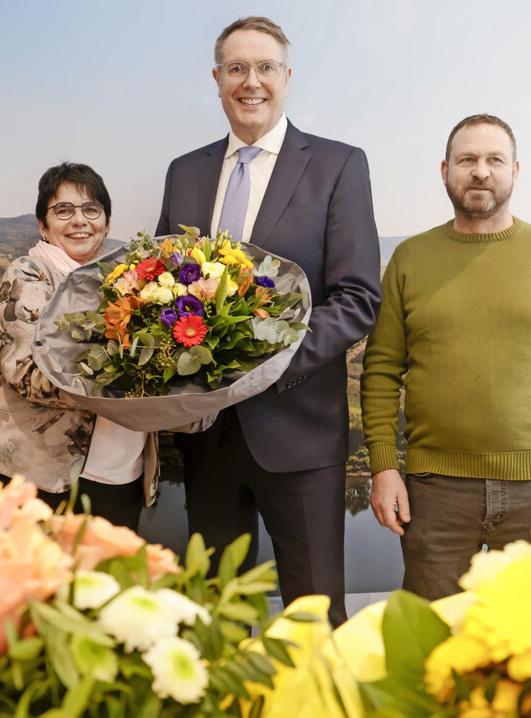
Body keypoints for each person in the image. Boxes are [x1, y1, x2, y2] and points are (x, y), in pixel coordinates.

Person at [156, 16, 381, 627]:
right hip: (207, 439)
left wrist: (270, 364)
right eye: (236, 68)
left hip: (301, 434)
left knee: (313, 620)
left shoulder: (338, 165)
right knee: (216, 620)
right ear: (217, 79)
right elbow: (162, 291)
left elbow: (358, 297)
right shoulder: (186, 171)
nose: (249, 81)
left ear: (286, 77)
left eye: (263, 68)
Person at [360, 114, 531, 601]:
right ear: (445, 171)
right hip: (432, 494)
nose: (481, 171)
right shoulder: (410, 259)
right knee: (430, 642)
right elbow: (380, 372)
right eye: (467, 160)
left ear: (515, 171)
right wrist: (382, 466)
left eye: (494, 160)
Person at [0, 163, 156, 530]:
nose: (79, 221)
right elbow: (27, 373)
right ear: (43, 225)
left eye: (91, 209)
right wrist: (138, 386)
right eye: (63, 211)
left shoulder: (132, 281)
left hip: (118, 476)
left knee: (101, 586)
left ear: (107, 221)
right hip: (31, 476)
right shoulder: (29, 273)